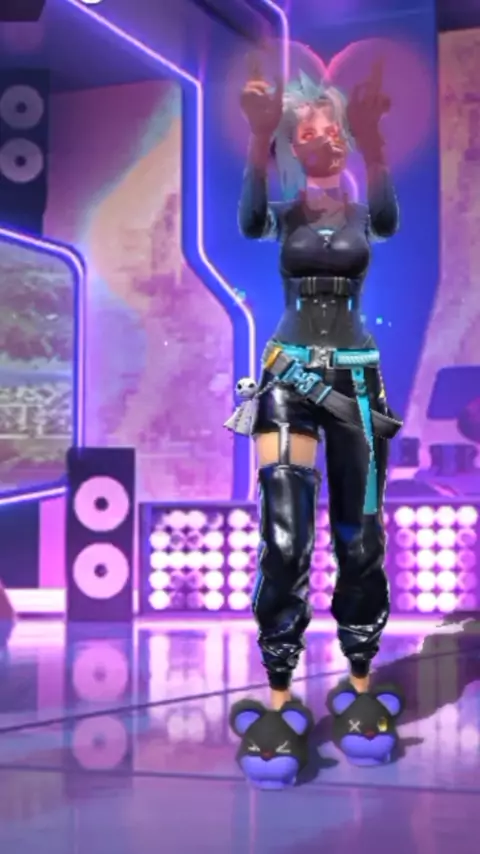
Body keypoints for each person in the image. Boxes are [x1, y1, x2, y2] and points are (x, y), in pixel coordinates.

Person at [232, 63, 402, 714]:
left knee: (360, 537)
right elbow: (249, 220)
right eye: (307, 132)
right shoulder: (282, 216)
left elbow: (387, 217)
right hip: (287, 380)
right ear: (293, 147)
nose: (323, 138)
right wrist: (257, 138)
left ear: (345, 140)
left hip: (355, 381)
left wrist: (376, 142)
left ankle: (360, 680)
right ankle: (278, 690)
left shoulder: (364, 215)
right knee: (284, 538)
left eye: (333, 130)